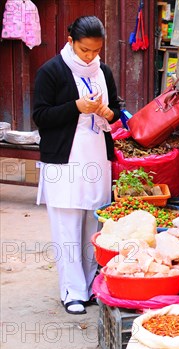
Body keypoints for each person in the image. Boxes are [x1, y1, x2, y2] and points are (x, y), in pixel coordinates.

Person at [33, 16, 120, 315]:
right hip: (64, 161)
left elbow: (117, 111)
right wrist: (76, 107)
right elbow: (41, 116)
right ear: (70, 40)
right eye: (85, 50)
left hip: (95, 157)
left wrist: (108, 112)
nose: (90, 56)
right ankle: (71, 291)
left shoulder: (103, 72)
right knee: (67, 227)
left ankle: (88, 286)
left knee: (91, 227)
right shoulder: (52, 71)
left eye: (96, 51)